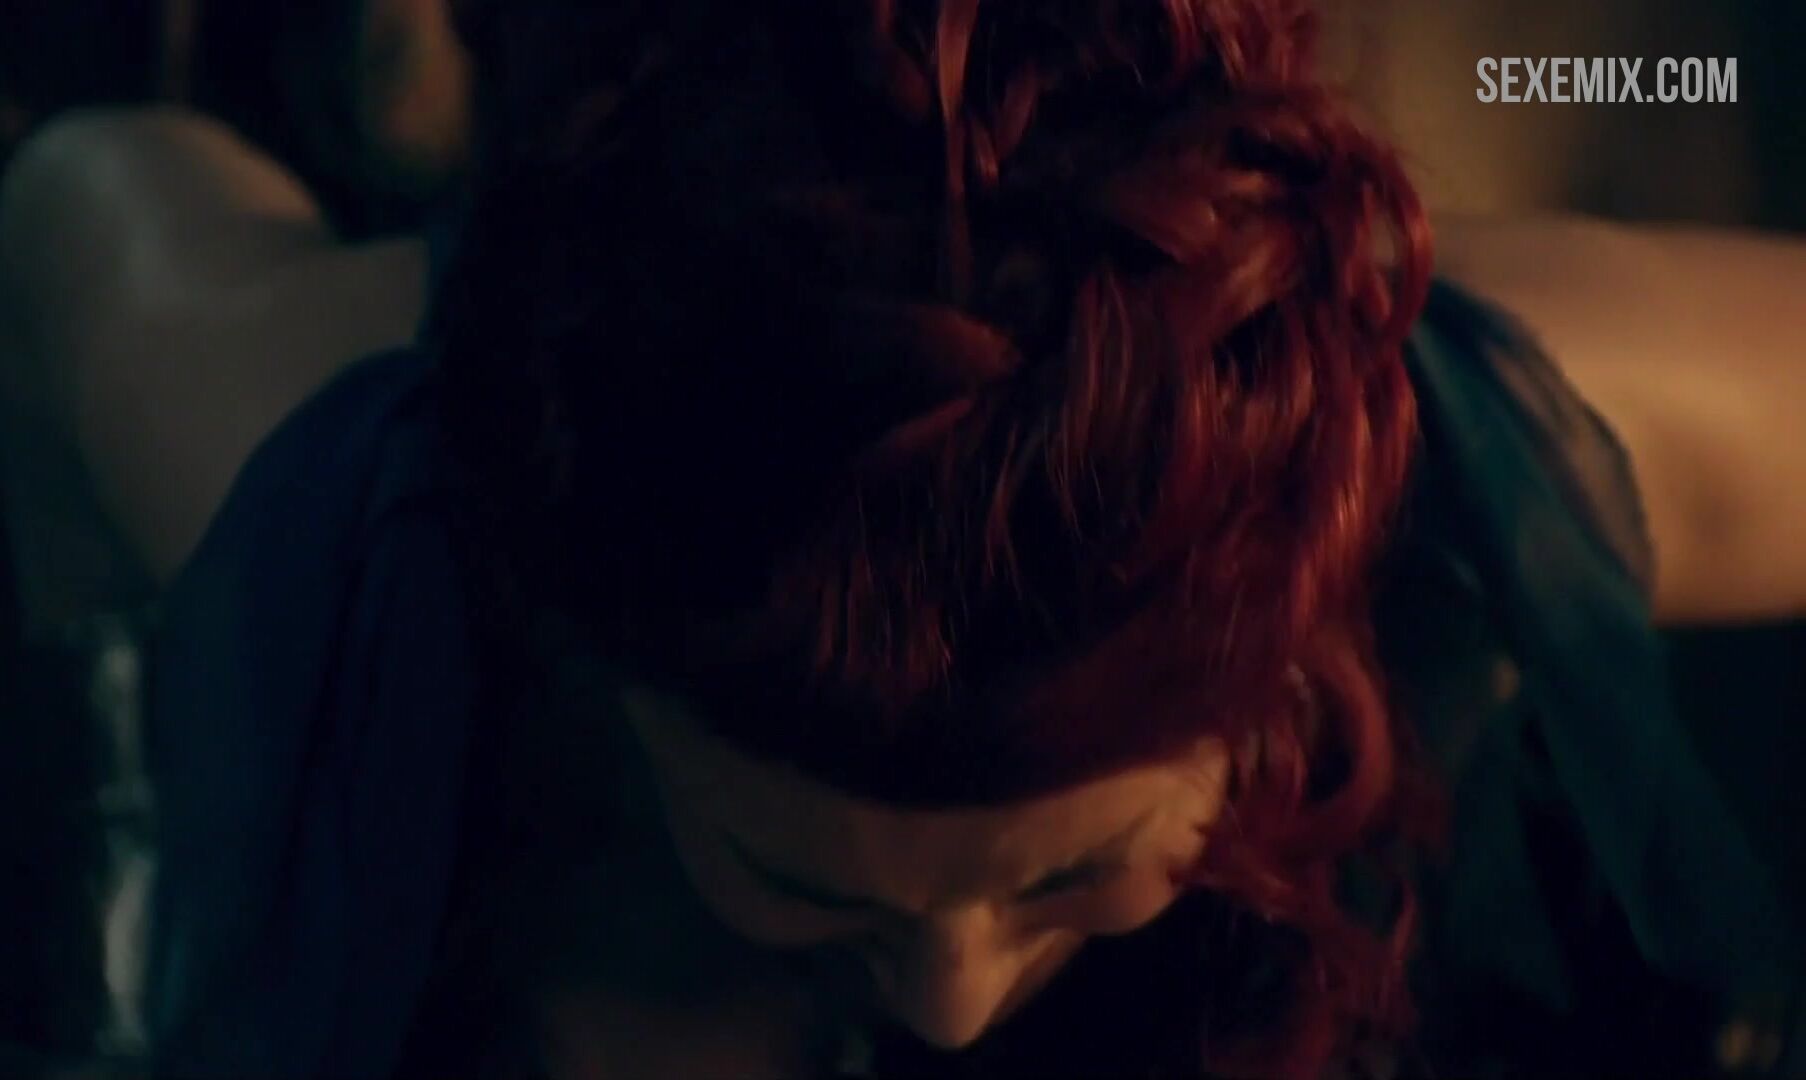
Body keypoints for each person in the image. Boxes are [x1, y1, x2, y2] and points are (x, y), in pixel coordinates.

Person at [2, 1, 1804, 1077]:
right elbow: (79, 190)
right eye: (803, 879)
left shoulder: (1460, 426)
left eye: (1067, 872)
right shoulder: (324, 471)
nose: (951, 1000)